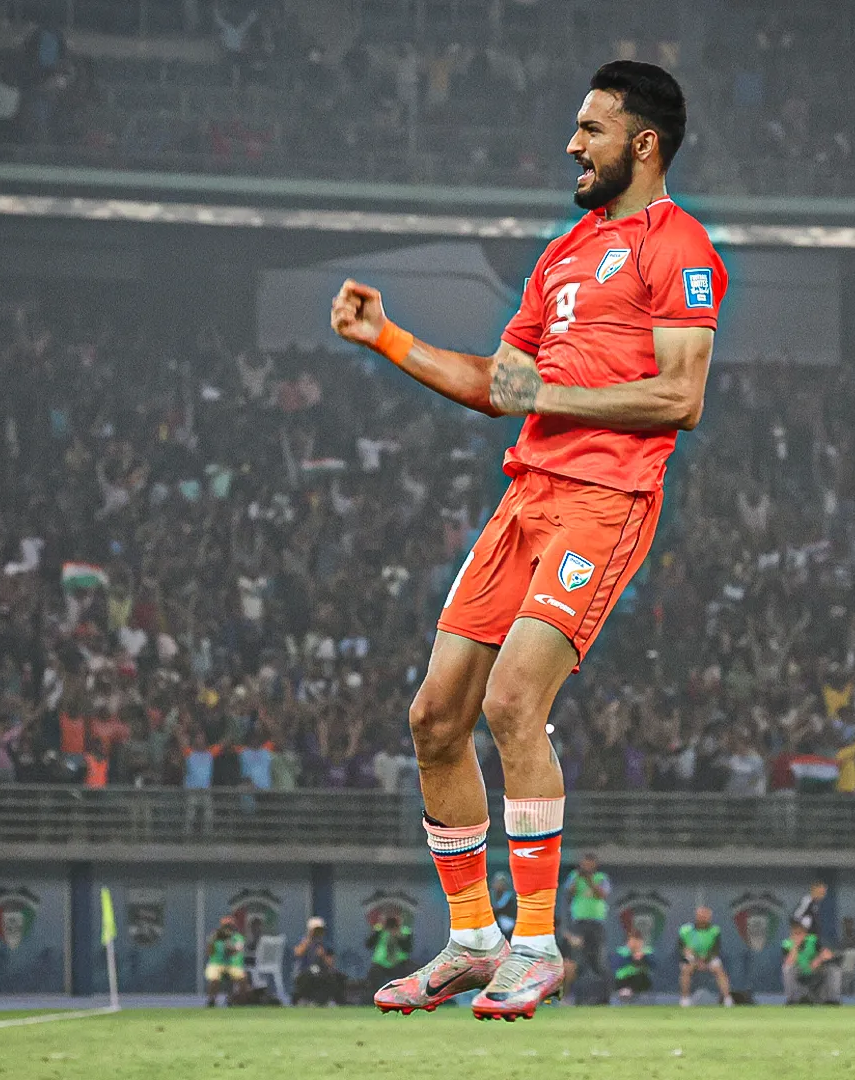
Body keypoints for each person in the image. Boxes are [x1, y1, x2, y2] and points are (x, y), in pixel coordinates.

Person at [333, 59, 725, 1021]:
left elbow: (681, 397)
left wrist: (549, 397)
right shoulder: (559, 256)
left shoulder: (680, 248)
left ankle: (537, 945)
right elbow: (495, 384)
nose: (571, 144)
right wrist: (391, 340)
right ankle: (473, 940)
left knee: (514, 700)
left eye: (590, 129)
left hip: (606, 498)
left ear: (642, 142)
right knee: (434, 717)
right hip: (526, 497)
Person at [559, 853, 612, 1001]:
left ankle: (606, 997)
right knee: (575, 961)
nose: (586, 866)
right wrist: (578, 877)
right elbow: (569, 892)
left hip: (596, 923)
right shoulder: (574, 876)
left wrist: (589, 879)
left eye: (589, 864)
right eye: (584, 863)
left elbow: (602, 894)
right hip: (579, 923)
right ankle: (570, 996)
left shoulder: (601, 878)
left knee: (599, 961)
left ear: (594, 864)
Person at [677, 906, 733, 1007]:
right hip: (692, 958)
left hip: (709, 957)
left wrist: (705, 960)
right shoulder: (685, 930)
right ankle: (685, 999)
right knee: (685, 969)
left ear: (709, 917)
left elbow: (716, 949)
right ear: (696, 916)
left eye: (705, 916)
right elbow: (681, 947)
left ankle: (727, 999)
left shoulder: (715, 931)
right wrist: (694, 959)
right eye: (700, 916)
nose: (703, 918)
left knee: (719, 970)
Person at [781, 920, 841, 1004]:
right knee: (787, 968)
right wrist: (795, 947)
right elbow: (788, 962)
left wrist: (818, 959)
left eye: (799, 933)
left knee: (834, 969)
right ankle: (792, 999)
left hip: (815, 972)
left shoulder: (812, 940)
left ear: (805, 934)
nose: (797, 936)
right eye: (794, 933)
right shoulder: (787, 944)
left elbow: (828, 954)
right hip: (800, 973)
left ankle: (833, 1000)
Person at [292, 917, 344, 1005]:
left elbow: (331, 963)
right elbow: (297, 953)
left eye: (320, 930)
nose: (317, 933)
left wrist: (323, 955)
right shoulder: (304, 941)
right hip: (305, 972)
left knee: (335, 977)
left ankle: (327, 1000)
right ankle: (304, 999)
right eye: (315, 930)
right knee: (306, 978)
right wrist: (307, 942)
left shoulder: (326, 944)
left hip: (322, 972)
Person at [203, 915, 246, 1007]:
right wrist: (211, 942)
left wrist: (229, 945)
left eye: (230, 926)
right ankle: (211, 1000)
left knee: (242, 978)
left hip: (232, 965)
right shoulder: (215, 937)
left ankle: (235, 1000)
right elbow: (209, 953)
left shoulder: (238, 938)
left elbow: (236, 950)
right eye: (226, 926)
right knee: (214, 978)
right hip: (216, 964)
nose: (228, 929)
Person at [365, 914, 414, 990]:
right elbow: (368, 945)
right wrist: (378, 930)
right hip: (380, 963)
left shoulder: (405, 931)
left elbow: (407, 949)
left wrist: (398, 935)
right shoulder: (379, 930)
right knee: (372, 982)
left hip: (399, 963)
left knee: (405, 980)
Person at [613, 929, 652, 1002]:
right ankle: (625, 991)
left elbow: (653, 963)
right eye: (632, 941)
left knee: (641, 976)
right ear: (628, 942)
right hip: (623, 979)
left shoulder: (647, 951)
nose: (635, 943)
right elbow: (617, 963)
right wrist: (631, 957)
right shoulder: (621, 951)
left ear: (641, 942)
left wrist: (643, 957)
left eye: (637, 941)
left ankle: (632, 991)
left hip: (639, 980)